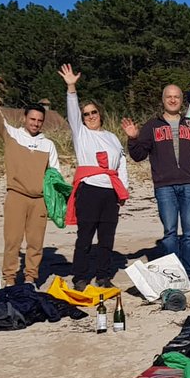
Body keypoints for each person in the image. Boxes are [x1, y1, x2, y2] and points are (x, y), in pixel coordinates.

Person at [122, 84, 190, 279]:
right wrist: (132, 139)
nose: (173, 100)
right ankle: (173, 272)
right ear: (163, 100)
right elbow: (138, 155)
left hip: (189, 184)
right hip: (164, 187)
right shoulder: (151, 126)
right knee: (170, 233)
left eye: (176, 97)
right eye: (169, 97)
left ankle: (189, 272)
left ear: (182, 100)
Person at [0, 69, 60, 287]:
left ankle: (30, 278)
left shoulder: (48, 144)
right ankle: (9, 279)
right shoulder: (12, 135)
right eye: (32, 119)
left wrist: (57, 203)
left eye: (39, 120)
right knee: (13, 241)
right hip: (16, 195)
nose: (35, 123)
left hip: (40, 200)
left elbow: (55, 175)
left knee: (35, 243)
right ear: (25, 118)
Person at [57, 65, 129, 290]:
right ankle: (80, 276)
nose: (90, 116)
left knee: (106, 237)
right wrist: (71, 87)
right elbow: (71, 112)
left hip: (110, 191)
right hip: (89, 190)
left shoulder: (112, 138)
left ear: (100, 114)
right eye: (86, 114)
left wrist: (123, 191)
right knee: (85, 237)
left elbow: (122, 164)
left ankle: (103, 275)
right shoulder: (81, 134)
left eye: (93, 112)